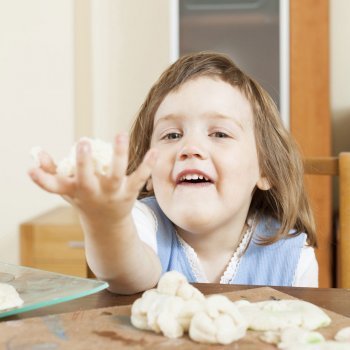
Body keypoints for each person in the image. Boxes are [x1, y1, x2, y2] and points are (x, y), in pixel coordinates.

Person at [29, 52, 318, 294]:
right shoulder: (143, 223)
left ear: (265, 168)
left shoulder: (294, 257)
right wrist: (106, 222)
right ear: (149, 172)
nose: (190, 147)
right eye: (171, 135)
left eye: (219, 133)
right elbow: (126, 273)